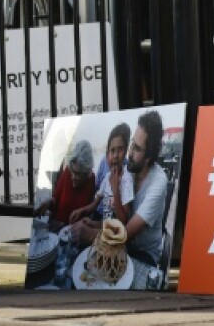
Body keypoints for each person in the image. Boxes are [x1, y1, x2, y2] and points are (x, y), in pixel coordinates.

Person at [71, 110, 167, 266]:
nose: (129, 153)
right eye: (131, 144)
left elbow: (125, 234)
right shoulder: (129, 171)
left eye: (137, 148)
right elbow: (118, 220)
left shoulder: (158, 183)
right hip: (121, 245)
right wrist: (94, 224)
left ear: (149, 157)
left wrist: (88, 234)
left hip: (142, 255)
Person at [69, 122, 133, 226]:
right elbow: (94, 205)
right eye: (112, 151)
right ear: (108, 154)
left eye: (120, 149)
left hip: (116, 234)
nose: (116, 155)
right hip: (104, 227)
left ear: (126, 151)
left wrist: (115, 188)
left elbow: (123, 221)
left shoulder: (127, 180)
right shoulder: (107, 177)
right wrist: (82, 211)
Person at [34, 139, 95, 226]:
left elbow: (88, 212)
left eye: (78, 174)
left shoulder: (91, 180)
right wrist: (49, 203)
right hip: (56, 227)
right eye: (72, 171)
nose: (73, 176)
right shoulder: (67, 171)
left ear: (86, 173)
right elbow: (56, 198)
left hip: (75, 231)